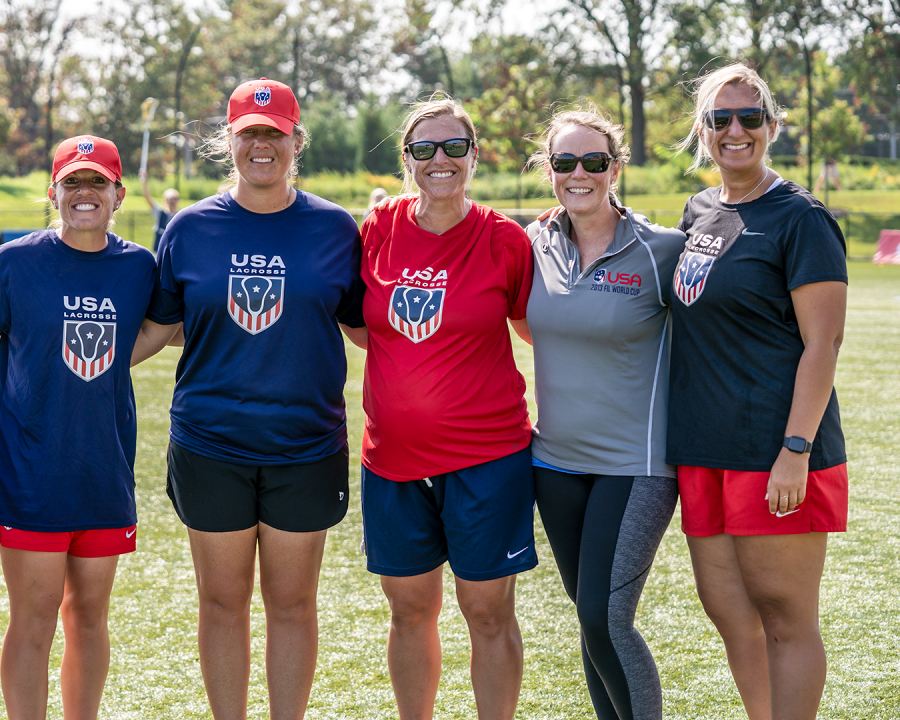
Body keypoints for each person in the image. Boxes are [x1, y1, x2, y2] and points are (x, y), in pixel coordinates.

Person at [134, 77, 365, 720]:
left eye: (274, 133)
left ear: (295, 140)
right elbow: (156, 327)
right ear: (228, 141)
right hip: (211, 443)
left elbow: (366, 327)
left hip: (306, 445)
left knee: (293, 605)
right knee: (221, 603)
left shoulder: (334, 229)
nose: (261, 145)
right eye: (248, 134)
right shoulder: (189, 229)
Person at [670, 63, 848, 720]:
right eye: (720, 119)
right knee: (730, 614)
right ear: (704, 130)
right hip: (702, 448)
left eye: (749, 117)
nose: (735, 130)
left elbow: (822, 345)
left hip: (776, 449)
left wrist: (795, 449)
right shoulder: (700, 209)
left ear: (771, 126)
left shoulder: (800, 218)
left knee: (784, 617)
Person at [352, 95, 535, 720]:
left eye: (454, 147)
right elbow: (361, 325)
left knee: (486, 613)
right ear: (407, 160)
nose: (440, 159)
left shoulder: (505, 240)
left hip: (489, 459)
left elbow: (536, 327)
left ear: (474, 156)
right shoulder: (375, 231)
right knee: (408, 611)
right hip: (392, 462)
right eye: (425, 148)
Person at [0, 135, 159, 720]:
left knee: (89, 615)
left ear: (118, 193)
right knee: (33, 617)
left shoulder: (139, 267)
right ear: (52, 193)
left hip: (103, 471)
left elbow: (181, 324)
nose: (85, 193)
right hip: (29, 472)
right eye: (72, 183)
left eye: (97, 183)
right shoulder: (12, 264)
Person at [523, 109, 685, 720]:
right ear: (549, 171)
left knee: (604, 616)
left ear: (615, 168)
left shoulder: (662, 250)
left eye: (594, 161)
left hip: (636, 466)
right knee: (591, 620)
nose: (579, 173)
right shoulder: (534, 242)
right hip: (555, 465)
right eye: (565, 162)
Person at [139, 169, 181, 253]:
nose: (172, 201)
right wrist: (145, 181)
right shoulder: (160, 213)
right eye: (169, 199)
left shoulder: (181, 215)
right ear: (165, 201)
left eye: (174, 199)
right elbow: (147, 197)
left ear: (178, 201)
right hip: (159, 251)